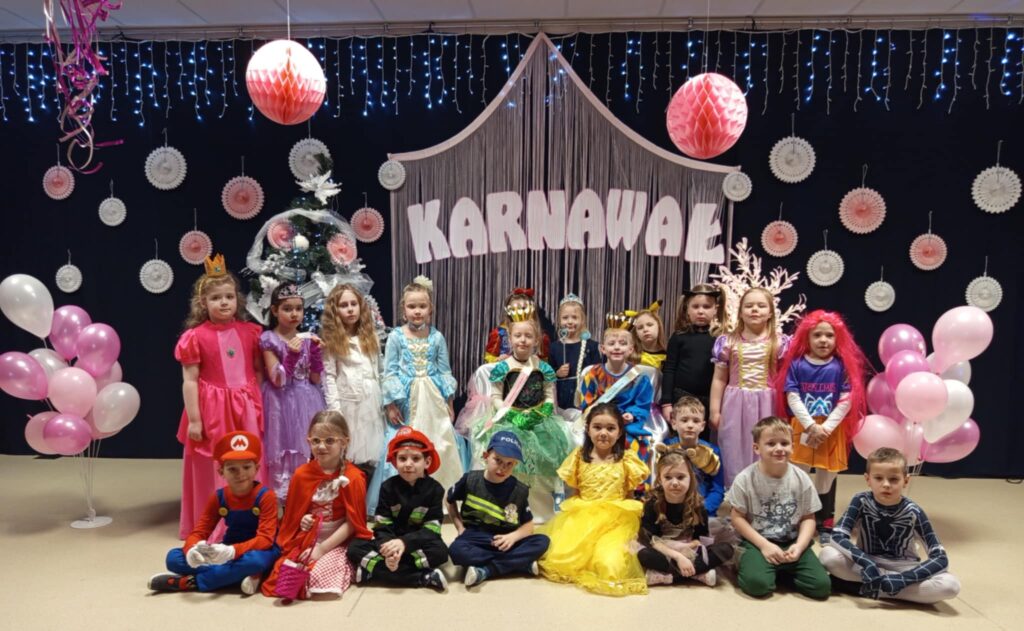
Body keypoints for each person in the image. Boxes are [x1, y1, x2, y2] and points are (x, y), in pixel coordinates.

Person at [175, 254, 264, 539]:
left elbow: (258, 372)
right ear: (203, 303)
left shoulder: (250, 332)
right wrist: (195, 420)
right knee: (215, 462)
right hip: (213, 410)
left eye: (229, 296)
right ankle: (214, 521)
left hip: (245, 407)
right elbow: (190, 381)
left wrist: (257, 404)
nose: (224, 303)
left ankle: (252, 518)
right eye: (216, 298)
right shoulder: (195, 337)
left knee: (248, 455)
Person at [820, 447, 961, 604]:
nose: (886, 484)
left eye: (894, 479)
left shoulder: (914, 511)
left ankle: (865, 588)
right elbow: (837, 535)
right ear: (868, 479)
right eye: (878, 478)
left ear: (905, 480)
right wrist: (866, 562)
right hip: (866, 562)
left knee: (951, 586)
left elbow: (940, 558)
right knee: (828, 556)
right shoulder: (860, 501)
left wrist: (904, 579)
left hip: (904, 567)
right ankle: (893, 590)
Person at [469, 305, 571, 520]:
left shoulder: (543, 367)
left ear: (536, 340)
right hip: (509, 418)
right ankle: (507, 501)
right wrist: (510, 414)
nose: (523, 340)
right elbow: (495, 397)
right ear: (510, 338)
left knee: (552, 448)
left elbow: (548, 395)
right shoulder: (502, 367)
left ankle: (547, 503)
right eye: (518, 336)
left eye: (528, 336)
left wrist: (543, 412)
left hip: (538, 419)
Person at [775, 310, 868, 540]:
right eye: (817, 335)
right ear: (807, 337)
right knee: (799, 474)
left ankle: (824, 522)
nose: (823, 340)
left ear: (838, 338)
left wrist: (826, 427)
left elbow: (846, 399)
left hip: (831, 430)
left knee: (828, 476)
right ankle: (798, 520)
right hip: (803, 427)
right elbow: (792, 396)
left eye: (829, 335)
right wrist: (810, 426)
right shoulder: (797, 365)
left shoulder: (841, 366)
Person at [149, 431, 279, 594]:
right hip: (228, 546)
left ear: (256, 469)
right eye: (232, 469)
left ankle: (191, 582)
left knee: (255, 562)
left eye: (246, 467)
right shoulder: (218, 497)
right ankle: (240, 574)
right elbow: (199, 532)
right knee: (173, 558)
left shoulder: (266, 496)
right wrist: (191, 550)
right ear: (221, 472)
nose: (240, 474)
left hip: (259, 549)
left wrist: (233, 552)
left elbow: (265, 539)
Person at [540, 403, 649, 596]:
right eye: (597, 427)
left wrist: (634, 531)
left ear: (619, 431)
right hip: (584, 517)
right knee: (561, 559)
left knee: (608, 564)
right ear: (588, 429)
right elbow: (575, 494)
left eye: (610, 428)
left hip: (616, 521)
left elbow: (630, 497)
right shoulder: (578, 457)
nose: (603, 433)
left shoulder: (627, 459)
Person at [261, 411, 371, 599]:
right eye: (316, 441)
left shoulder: (353, 477)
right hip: (309, 536)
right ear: (308, 441)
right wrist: (304, 520)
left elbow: (353, 523)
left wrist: (323, 548)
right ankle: (256, 574)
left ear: (344, 442)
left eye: (329, 441)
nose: (321, 446)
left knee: (317, 575)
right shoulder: (302, 474)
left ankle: (346, 568)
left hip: (339, 539)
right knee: (283, 571)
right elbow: (295, 514)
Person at [726, 416, 831, 599]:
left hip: (791, 540)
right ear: (756, 448)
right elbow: (737, 517)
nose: (779, 448)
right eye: (771, 443)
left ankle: (779, 570)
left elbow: (808, 518)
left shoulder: (802, 479)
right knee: (757, 586)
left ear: (792, 446)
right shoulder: (745, 479)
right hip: (758, 541)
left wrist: (799, 546)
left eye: (784, 443)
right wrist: (764, 545)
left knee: (821, 587)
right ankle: (751, 563)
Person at [382, 276, 466, 493]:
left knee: (440, 440)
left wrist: (449, 402)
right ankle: (406, 493)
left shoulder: (437, 337)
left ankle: (440, 491)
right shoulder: (396, 337)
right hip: (405, 399)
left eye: (422, 306)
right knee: (408, 440)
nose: (417, 311)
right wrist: (390, 404)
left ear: (430, 309)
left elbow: (444, 371)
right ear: (403, 310)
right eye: (412, 306)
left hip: (433, 399)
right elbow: (389, 371)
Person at [347, 427, 449, 591]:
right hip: (389, 542)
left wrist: (404, 543)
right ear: (395, 462)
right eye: (402, 458)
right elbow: (381, 526)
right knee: (354, 548)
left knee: (440, 552)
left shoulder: (435, 489)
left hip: (416, 544)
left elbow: (432, 529)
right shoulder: (387, 487)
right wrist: (390, 548)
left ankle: (376, 571)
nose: (408, 464)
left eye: (416, 458)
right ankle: (421, 577)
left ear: (427, 462)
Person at [447, 431, 551, 587]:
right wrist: (459, 527)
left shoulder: (519, 490)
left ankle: (487, 570)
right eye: (498, 460)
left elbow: (529, 525)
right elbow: (449, 500)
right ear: (486, 456)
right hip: (476, 536)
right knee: (456, 550)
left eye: (510, 464)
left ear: (515, 464)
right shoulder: (470, 479)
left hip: (506, 539)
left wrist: (513, 537)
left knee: (542, 541)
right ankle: (519, 564)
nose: (503, 468)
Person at [320, 283, 391, 512]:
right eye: (344, 305)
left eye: (354, 304)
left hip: (372, 402)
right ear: (335, 311)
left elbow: (379, 370)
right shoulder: (332, 340)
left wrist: (386, 400)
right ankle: (346, 505)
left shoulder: (369, 336)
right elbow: (329, 376)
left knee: (372, 455)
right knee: (348, 454)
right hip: (348, 403)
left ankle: (367, 505)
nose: (350, 309)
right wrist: (335, 410)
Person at [710, 287, 790, 486]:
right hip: (735, 405)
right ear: (740, 312)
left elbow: (787, 380)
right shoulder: (728, 342)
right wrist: (714, 411)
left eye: (761, 306)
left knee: (767, 445)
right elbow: (719, 379)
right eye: (749, 306)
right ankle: (736, 492)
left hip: (768, 403)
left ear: (770, 312)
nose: (755, 309)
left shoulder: (780, 342)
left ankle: (767, 492)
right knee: (734, 447)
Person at [260, 283, 325, 504]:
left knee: (306, 445)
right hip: (281, 401)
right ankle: (285, 500)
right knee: (284, 446)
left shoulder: (307, 337)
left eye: (299, 308)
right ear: (274, 310)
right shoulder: (269, 339)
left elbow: (315, 379)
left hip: (307, 400)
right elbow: (277, 380)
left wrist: (315, 355)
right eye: (287, 309)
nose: (294, 314)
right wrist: (292, 355)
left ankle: (307, 497)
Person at [577, 316, 655, 495]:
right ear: (603, 348)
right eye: (612, 344)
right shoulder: (592, 375)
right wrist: (604, 419)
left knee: (634, 445)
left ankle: (634, 490)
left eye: (622, 343)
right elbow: (587, 405)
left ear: (631, 349)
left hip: (627, 426)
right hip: (601, 424)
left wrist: (632, 415)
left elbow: (643, 404)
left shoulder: (639, 377)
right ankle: (596, 486)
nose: (617, 347)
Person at [637, 445, 734, 587]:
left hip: (689, 548)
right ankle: (696, 574)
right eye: (668, 477)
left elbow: (700, 538)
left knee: (726, 549)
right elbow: (651, 540)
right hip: (664, 549)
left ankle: (669, 576)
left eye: (681, 477)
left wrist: (687, 549)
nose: (674, 483)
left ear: (691, 478)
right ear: (660, 479)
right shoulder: (653, 503)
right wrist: (678, 557)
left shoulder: (698, 505)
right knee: (644, 555)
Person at [659, 285, 725, 440]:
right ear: (687, 309)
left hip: (708, 400)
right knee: (680, 439)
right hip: (681, 397)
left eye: (706, 307)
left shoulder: (720, 338)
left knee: (704, 441)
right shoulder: (678, 337)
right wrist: (666, 402)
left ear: (715, 309)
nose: (700, 311)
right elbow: (669, 369)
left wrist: (717, 408)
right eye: (695, 307)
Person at [663, 396, 725, 519]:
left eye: (696, 421)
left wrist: (703, 509)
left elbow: (718, 488)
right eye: (684, 420)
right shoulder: (666, 448)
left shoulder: (712, 451)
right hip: (671, 506)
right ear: (674, 423)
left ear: (702, 426)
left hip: (702, 508)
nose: (690, 425)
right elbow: (659, 481)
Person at [548, 293, 601, 412]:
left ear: (582, 320)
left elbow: (598, 371)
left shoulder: (591, 346)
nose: (570, 321)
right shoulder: (555, 347)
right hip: (562, 398)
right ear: (559, 320)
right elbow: (548, 373)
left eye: (574, 317)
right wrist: (558, 373)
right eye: (565, 318)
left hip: (585, 396)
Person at [484, 287, 551, 363]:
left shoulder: (541, 337)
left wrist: (538, 361)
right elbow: (489, 358)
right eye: (514, 309)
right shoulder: (499, 333)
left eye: (523, 308)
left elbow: (544, 361)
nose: (519, 311)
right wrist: (498, 360)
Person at [631, 302, 667, 371]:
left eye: (650, 325)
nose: (645, 330)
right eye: (640, 327)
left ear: (659, 326)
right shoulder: (630, 354)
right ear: (636, 333)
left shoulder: (668, 356)